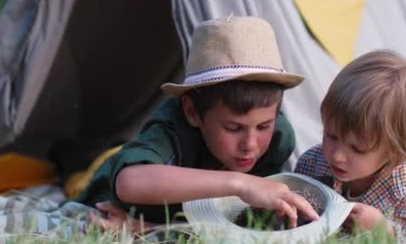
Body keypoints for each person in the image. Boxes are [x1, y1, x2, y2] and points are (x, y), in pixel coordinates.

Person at [75, 16, 319, 231]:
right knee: (79, 172)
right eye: (233, 128)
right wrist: (241, 183)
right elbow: (129, 183)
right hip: (106, 179)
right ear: (192, 112)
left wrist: (147, 229)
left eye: (263, 126)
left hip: (165, 218)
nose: (250, 144)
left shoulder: (279, 137)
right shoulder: (171, 129)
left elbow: (237, 219)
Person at [294, 50, 406, 244]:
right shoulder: (313, 164)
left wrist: (384, 230)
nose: (337, 156)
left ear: (395, 154)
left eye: (357, 149)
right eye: (331, 135)